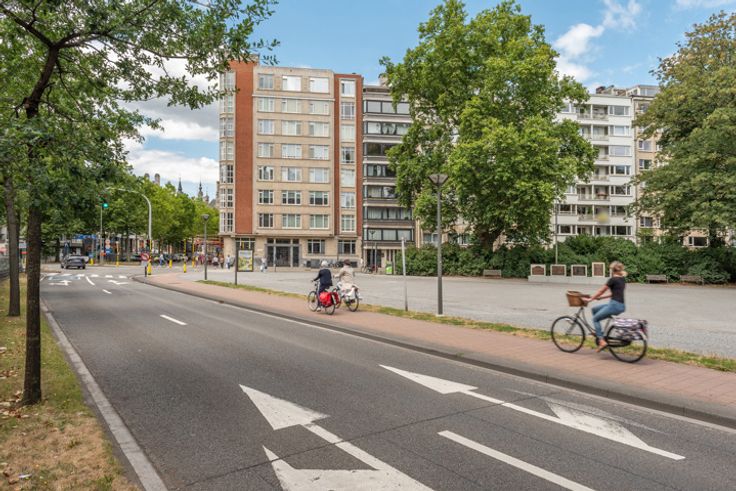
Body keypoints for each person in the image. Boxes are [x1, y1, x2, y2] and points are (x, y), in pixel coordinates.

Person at [583, 261, 627, 352]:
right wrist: (600, 298)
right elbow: (614, 293)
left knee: (595, 319)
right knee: (594, 309)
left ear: (612, 270)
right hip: (620, 305)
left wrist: (590, 299)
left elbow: (601, 291)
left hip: (614, 305)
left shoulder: (612, 279)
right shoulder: (622, 279)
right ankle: (599, 332)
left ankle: (602, 341)